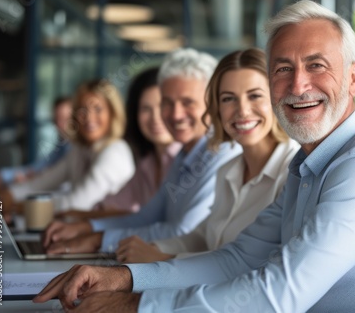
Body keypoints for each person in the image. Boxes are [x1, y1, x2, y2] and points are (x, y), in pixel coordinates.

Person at [33, 0, 355, 312]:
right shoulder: (306, 166)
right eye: (282, 69)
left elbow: (279, 294)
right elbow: (237, 260)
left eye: (316, 65)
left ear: (352, 78)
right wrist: (123, 278)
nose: (298, 85)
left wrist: (136, 305)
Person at [40, 48, 242, 256]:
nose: (175, 114)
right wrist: (87, 228)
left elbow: (182, 232)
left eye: (187, 102)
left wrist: (98, 239)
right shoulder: (185, 154)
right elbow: (147, 216)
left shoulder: (222, 153)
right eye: (167, 103)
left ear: (212, 103)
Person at [115, 48, 299, 263]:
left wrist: (164, 257)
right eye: (228, 99)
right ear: (216, 109)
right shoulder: (228, 170)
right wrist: (153, 248)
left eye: (255, 96)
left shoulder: (293, 173)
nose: (242, 111)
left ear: (277, 98)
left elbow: (249, 263)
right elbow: (202, 237)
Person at [56, 67, 182, 220]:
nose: (155, 118)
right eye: (146, 109)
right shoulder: (147, 165)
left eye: (163, 106)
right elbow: (108, 206)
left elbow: (165, 225)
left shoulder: (188, 160)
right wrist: (80, 221)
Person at [0, 79, 135, 213]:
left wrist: (15, 206)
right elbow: (45, 181)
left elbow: (76, 204)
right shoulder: (81, 150)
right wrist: (9, 195)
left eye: (98, 109)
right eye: (83, 111)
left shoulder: (115, 151)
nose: (89, 117)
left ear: (112, 114)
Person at [0, 96, 73, 189]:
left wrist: (5, 177)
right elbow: (38, 167)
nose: (59, 124)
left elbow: (54, 178)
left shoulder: (74, 150)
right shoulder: (61, 147)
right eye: (56, 119)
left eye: (65, 119)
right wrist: (2, 175)